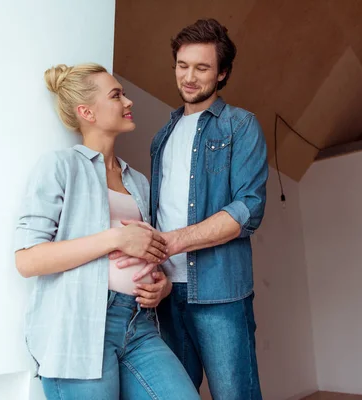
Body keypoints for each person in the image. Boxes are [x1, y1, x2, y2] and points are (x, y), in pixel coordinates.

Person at [14, 63, 200, 400]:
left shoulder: (138, 181)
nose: (128, 102)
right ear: (87, 112)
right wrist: (115, 238)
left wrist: (163, 285)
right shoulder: (60, 166)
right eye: (116, 95)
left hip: (139, 323)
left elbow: (147, 250)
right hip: (80, 329)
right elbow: (28, 260)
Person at [113, 18, 268, 400]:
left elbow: (249, 208)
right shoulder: (161, 137)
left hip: (220, 293)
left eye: (202, 68)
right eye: (183, 66)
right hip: (165, 295)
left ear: (222, 73)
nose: (190, 77)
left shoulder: (240, 125)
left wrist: (171, 242)